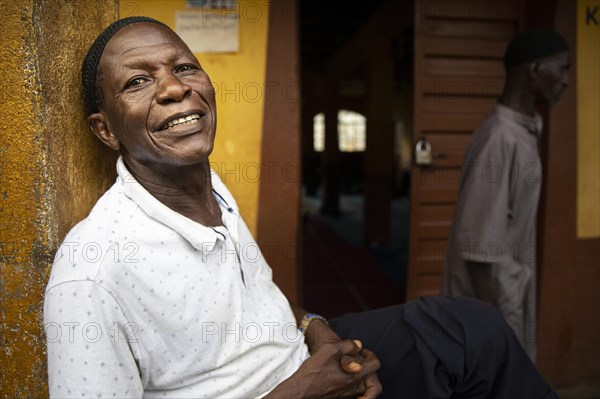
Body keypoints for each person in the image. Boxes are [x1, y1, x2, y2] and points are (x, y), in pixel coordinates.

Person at [44, 17, 559, 398]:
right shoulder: (91, 274)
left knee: (471, 328)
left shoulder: (209, 189)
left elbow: (262, 293)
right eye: (138, 81)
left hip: (303, 354)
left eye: (184, 68)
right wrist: (301, 393)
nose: (176, 87)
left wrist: (317, 328)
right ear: (106, 129)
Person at [443, 28, 571, 361]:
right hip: (493, 300)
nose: (566, 80)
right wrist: (493, 325)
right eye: (563, 68)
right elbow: (476, 248)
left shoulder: (525, 129)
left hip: (508, 290)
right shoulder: (500, 138)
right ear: (535, 68)